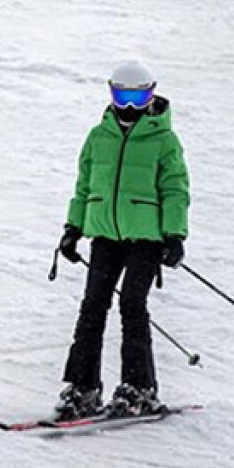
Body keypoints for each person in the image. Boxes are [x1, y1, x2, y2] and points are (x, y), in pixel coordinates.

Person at [53, 60, 190, 419]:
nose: (129, 106)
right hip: (104, 236)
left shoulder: (164, 140)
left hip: (146, 238)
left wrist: (174, 235)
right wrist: (73, 229)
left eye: (138, 98)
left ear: (151, 95)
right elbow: (84, 187)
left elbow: (175, 190)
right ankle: (83, 386)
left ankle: (139, 387)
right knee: (92, 307)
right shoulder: (99, 137)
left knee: (132, 304)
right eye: (122, 97)